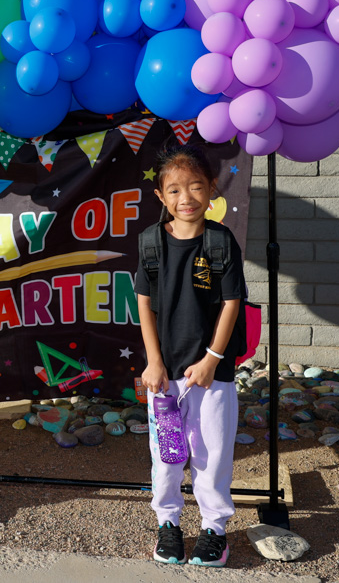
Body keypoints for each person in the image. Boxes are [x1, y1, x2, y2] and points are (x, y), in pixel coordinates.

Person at [134, 143, 246, 568]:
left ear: (212, 188)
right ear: (161, 196)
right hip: (164, 378)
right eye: (175, 190)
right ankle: (168, 524)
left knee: (212, 452)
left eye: (196, 187)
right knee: (166, 454)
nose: (187, 199)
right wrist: (154, 361)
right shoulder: (150, 244)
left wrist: (213, 358)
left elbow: (233, 302)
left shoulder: (221, 242)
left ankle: (215, 529)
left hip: (212, 374)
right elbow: (144, 303)